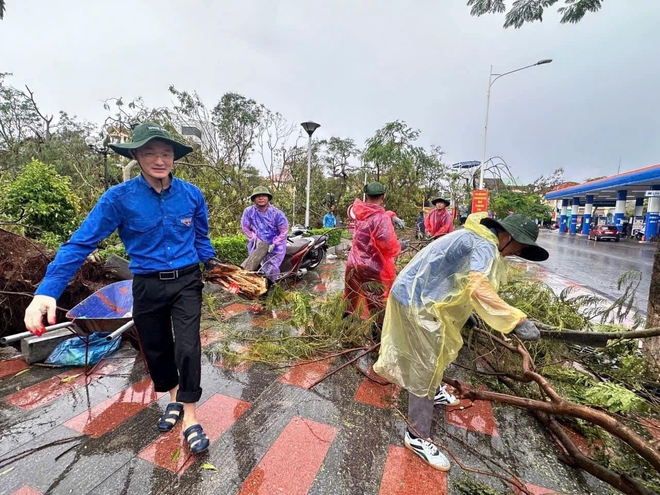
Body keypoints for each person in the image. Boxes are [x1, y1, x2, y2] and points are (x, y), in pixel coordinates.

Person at [23, 122, 218, 454]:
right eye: (150, 153)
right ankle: (172, 398)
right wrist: (46, 291)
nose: (160, 159)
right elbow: (79, 244)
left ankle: (190, 417)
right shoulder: (118, 199)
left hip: (187, 281)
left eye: (166, 153)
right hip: (146, 284)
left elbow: (201, 238)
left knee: (187, 348)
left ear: (174, 157)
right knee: (156, 350)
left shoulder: (191, 195)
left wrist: (214, 265)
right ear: (136, 156)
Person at [374, 212, 548, 471]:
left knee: (437, 349)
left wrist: (469, 313)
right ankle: (416, 436)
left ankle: (432, 392)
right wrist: (516, 321)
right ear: (509, 237)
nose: (515, 253)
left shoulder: (478, 236)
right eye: (519, 248)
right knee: (426, 364)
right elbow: (478, 286)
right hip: (414, 301)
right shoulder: (485, 245)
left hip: (421, 295)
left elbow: (456, 278)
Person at [344, 182, 401, 331]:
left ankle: (344, 333)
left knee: (351, 299)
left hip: (354, 264)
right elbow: (388, 246)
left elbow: (373, 214)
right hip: (372, 268)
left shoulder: (358, 212)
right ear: (383, 196)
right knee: (376, 304)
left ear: (366, 196)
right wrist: (401, 245)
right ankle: (377, 342)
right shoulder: (381, 219)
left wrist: (391, 215)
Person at [241, 186, 289, 280]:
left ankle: (272, 287)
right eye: (258, 196)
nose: (261, 198)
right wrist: (254, 238)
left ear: (268, 198)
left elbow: (284, 230)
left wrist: (274, 244)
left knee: (271, 269)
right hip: (257, 246)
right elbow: (245, 227)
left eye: (263, 195)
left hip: (275, 247)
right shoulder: (249, 212)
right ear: (254, 199)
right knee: (253, 267)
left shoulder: (277, 213)